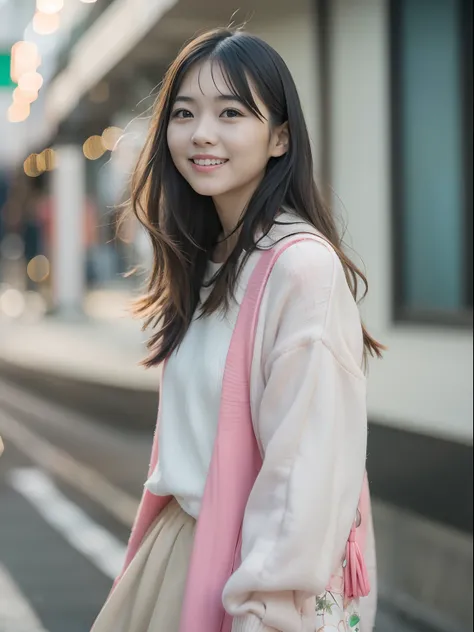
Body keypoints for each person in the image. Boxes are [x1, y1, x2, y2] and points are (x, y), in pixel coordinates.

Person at [91, 27, 382, 632]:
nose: (201, 133)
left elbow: (303, 471)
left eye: (231, 113)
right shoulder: (207, 262)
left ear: (279, 137)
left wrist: (263, 612)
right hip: (178, 554)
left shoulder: (301, 269)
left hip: (246, 579)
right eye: (184, 113)